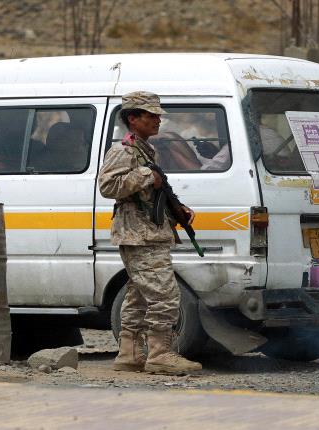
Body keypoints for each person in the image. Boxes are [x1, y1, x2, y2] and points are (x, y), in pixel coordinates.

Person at [98, 91, 202, 375]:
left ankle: (130, 354)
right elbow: (107, 186)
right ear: (133, 119)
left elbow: (148, 195)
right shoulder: (123, 150)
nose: (158, 120)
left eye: (158, 115)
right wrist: (147, 176)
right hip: (138, 236)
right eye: (151, 115)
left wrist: (176, 209)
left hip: (147, 233)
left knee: (139, 296)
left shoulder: (144, 149)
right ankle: (160, 354)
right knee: (165, 295)